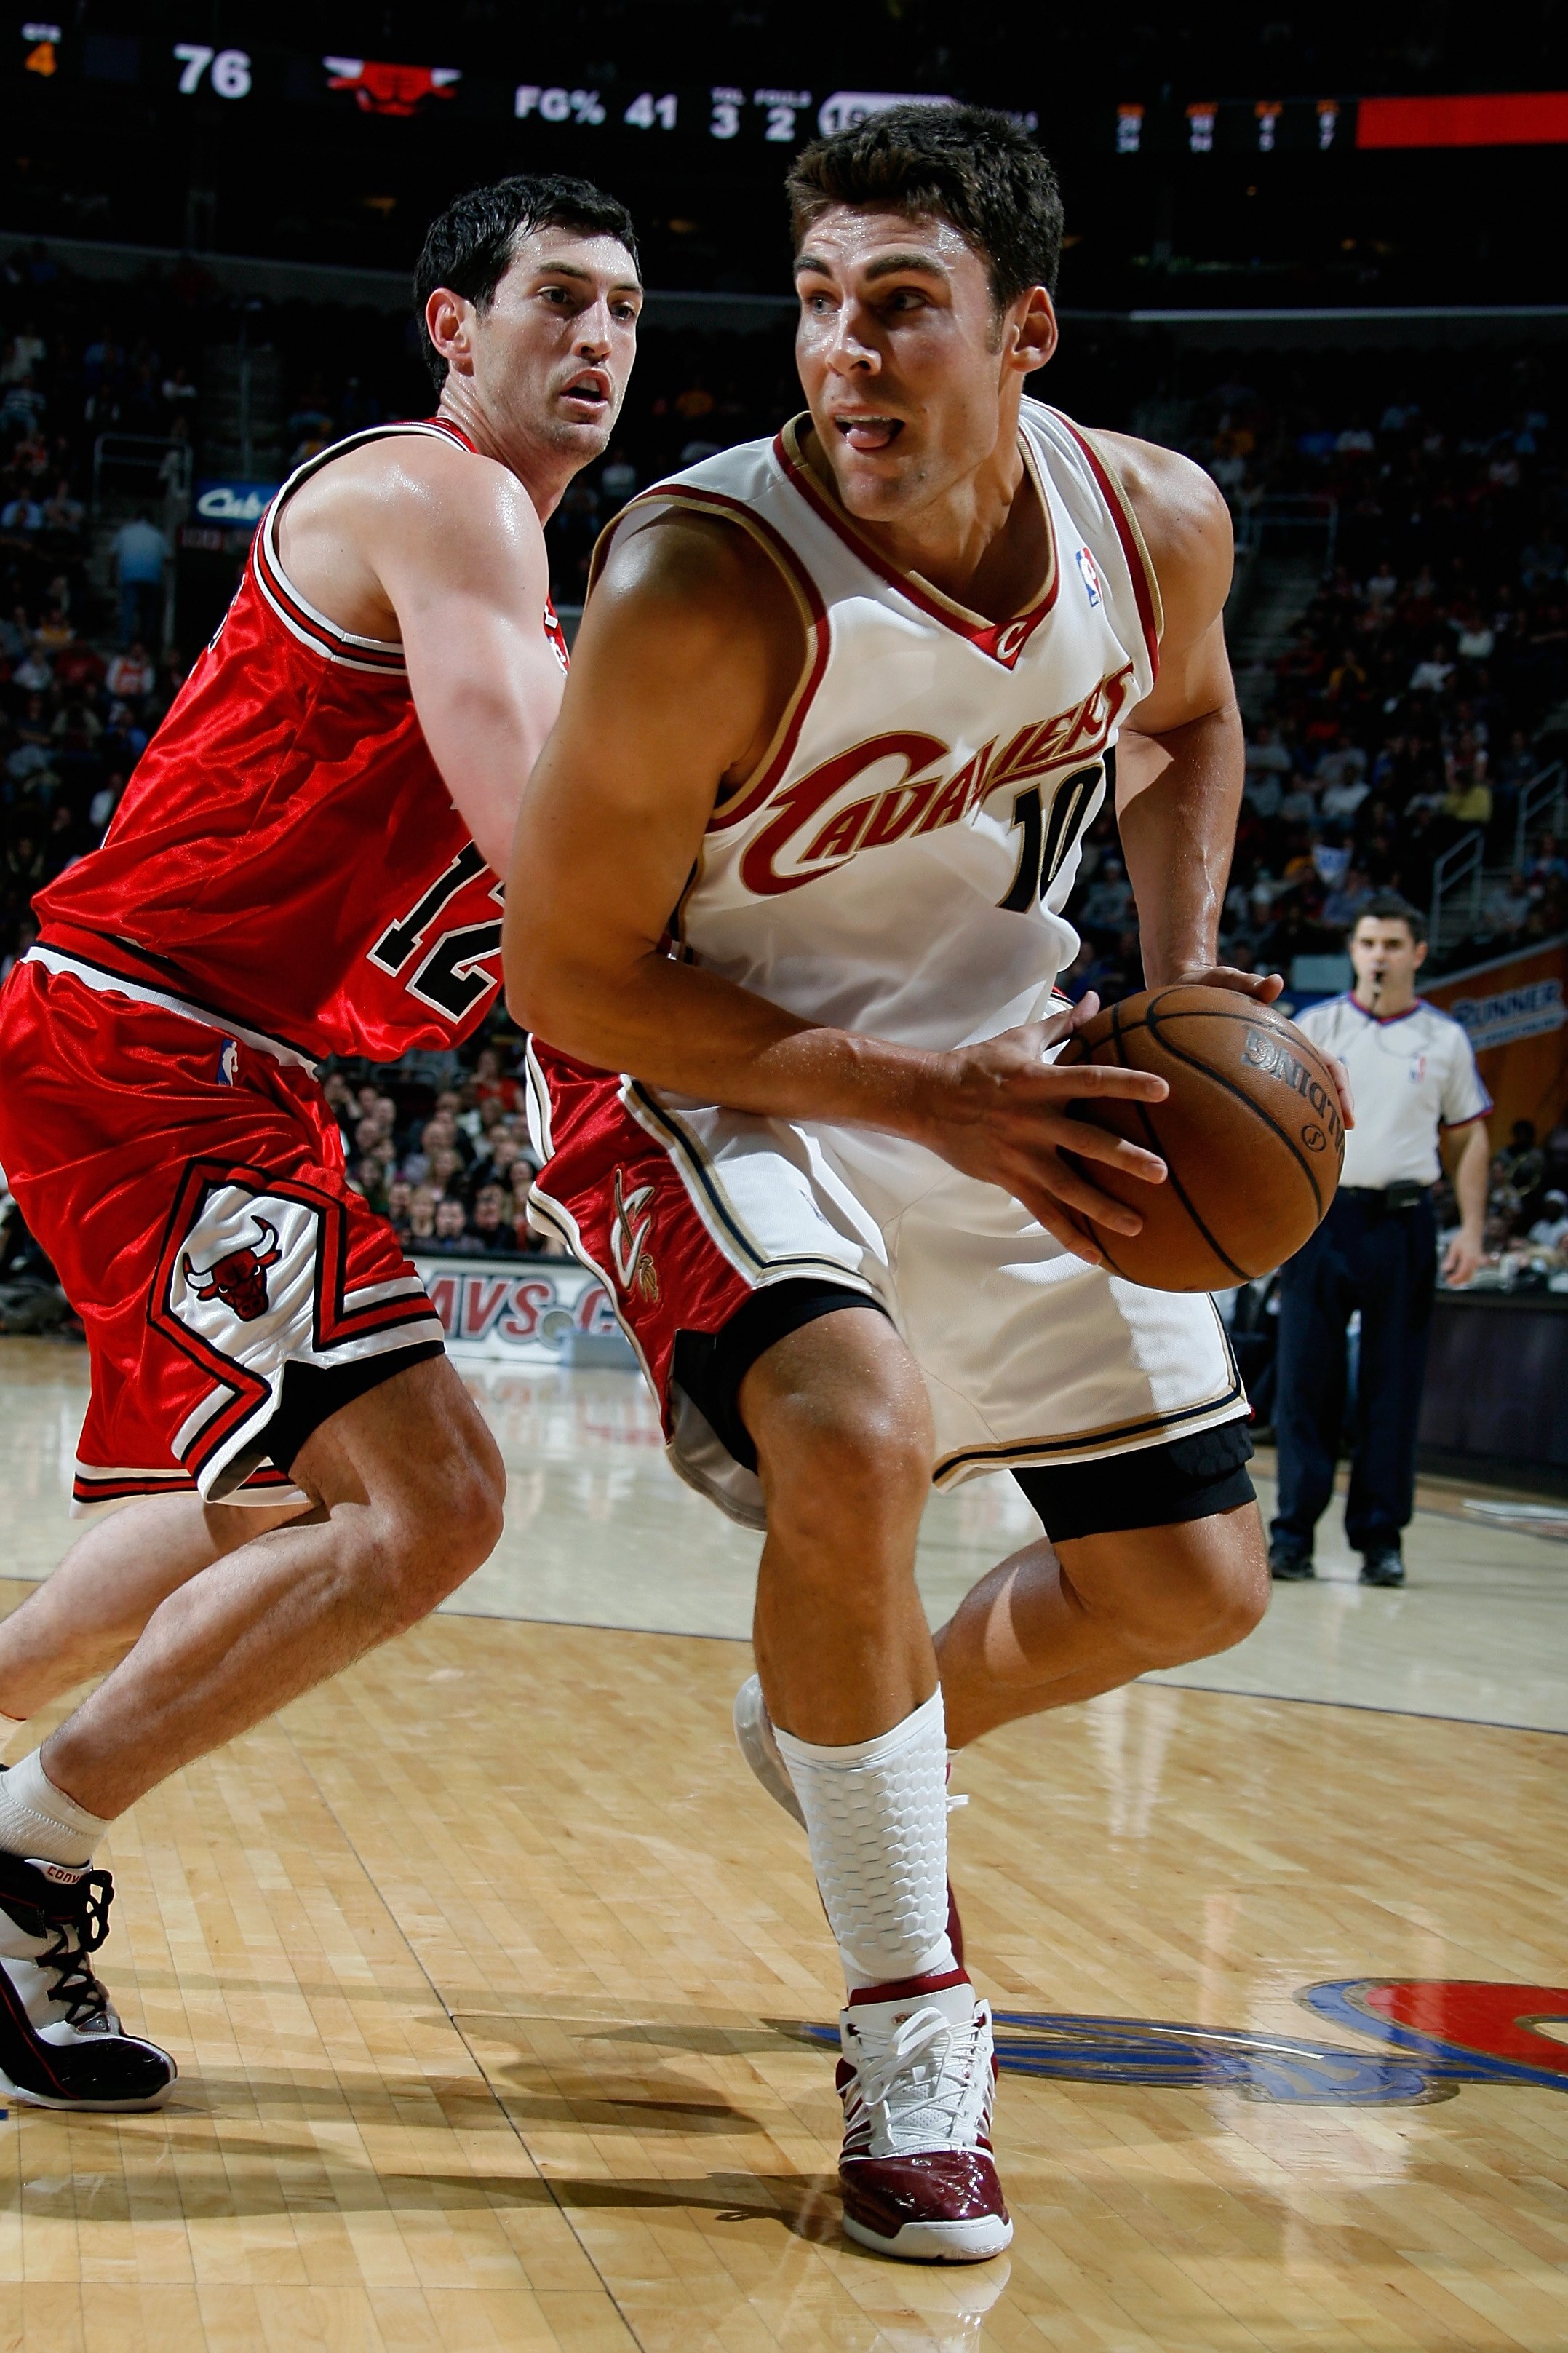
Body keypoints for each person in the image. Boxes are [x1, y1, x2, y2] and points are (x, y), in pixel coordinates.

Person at [506, 104, 1349, 2264]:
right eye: (815, 308)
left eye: (901, 309)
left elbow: (1187, 724)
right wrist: (917, 1095)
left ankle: (838, 1704)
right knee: (855, 1436)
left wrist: (1170, 989)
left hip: (1011, 1061)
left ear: (1024, 331)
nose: (846, 357)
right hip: (722, 1064)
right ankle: (914, 2034)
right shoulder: (699, 579)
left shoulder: (1147, 520)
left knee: (1193, 1587)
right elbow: (569, 969)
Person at [0, 172, 641, 2113]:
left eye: (624, 307)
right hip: (151, 1046)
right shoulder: (441, 499)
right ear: (454, 325)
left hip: (213, 1061)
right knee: (431, 1503)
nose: (597, 338)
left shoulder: (513, 560)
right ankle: (24, 1852)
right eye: (555, 299)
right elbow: (551, 869)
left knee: (281, 1499)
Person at [1269, 895, 1489, 1589]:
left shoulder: (1445, 1039)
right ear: (1353, 951)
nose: (1379, 956)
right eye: (1368, 943)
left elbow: (1470, 1133)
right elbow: (1270, 1124)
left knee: (1392, 1387)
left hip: (1402, 1222)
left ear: (1417, 954)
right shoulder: (1317, 1026)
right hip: (1322, 1219)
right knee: (1307, 1382)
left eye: (1393, 944)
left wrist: (1474, 1229)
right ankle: (1293, 1536)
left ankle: (1379, 1539)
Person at [110, 510, 169, 648]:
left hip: (129, 577)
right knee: (148, 613)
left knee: (128, 611)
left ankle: (124, 642)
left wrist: (111, 577)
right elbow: (169, 557)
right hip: (151, 579)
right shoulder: (157, 535)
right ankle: (146, 643)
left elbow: (112, 555)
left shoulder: (125, 532)